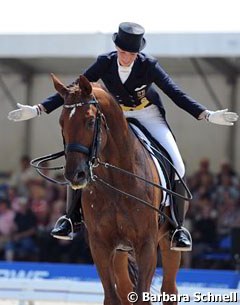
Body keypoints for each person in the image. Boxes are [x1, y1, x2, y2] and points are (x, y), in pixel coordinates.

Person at [8, 22, 239, 252]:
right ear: (116, 48)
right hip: (116, 115)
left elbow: (175, 93)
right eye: (122, 52)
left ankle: (178, 227)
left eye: (131, 54)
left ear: (138, 53)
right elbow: (73, 90)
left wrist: (206, 115)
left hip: (148, 114)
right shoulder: (105, 62)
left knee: (176, 162)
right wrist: (38, 109)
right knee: (83, 155)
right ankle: (70, 218)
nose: (125, 58)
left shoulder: (149, 66)